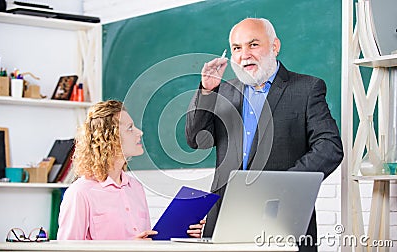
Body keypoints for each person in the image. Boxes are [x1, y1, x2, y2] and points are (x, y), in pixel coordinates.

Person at [185, 18, 343, 251]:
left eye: (253, 45)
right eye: (237, 48)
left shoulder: (307, 88)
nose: (244, 54)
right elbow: (196, 139)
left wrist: (286, 184)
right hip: (226, 220)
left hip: (283, 216)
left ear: (275, 46)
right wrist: (207, 91)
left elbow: (330, 146)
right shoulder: (224, 90)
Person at [57, 100, 204, 240]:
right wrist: (131, 246)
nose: (140, 132)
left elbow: (145, 241)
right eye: (130, 128)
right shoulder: (80, 193)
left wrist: (183, 234)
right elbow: (67, 249)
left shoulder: (135, 187)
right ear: (108, 138)